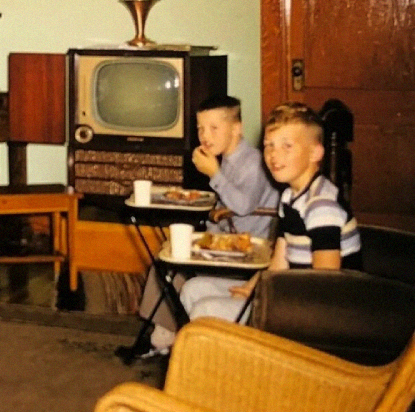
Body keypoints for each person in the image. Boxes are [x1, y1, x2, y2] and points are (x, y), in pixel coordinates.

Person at [179, 101, 362, 324]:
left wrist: (267, 300)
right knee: (193, 289)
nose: (274, 155)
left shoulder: (321, 205)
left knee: (205, 310)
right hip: (294, 293)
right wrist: (252, 287)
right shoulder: (289, 197)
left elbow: (325, 283)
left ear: (315, 152)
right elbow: (279, 262)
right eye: (269, 145)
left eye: (287, 146)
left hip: (323, 314)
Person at [136, 95, 278, 352]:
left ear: (236, 128)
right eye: (201, 127)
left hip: (246, 252)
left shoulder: (253, 162)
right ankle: (167, 333)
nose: (204, 135)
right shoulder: (228, 159)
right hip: (225, 242)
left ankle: (168, 337)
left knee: (174, 266)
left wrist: (214, 173)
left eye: (214, 128)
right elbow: (221, 206)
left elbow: (243, 205)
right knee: (167, 256)